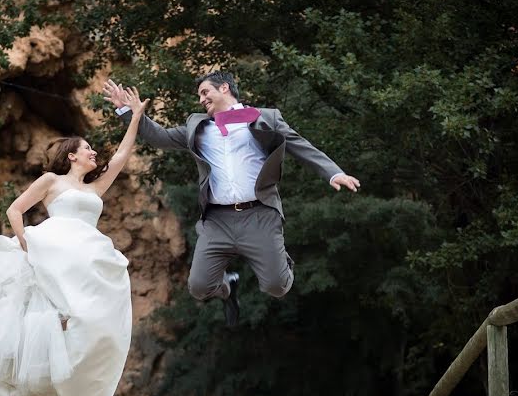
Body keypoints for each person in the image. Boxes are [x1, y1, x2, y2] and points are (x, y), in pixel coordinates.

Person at [0, 87, 150, 396]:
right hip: (54, 255)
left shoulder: (96, 188)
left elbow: (124, 154)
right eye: (88, 148)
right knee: (48, 333)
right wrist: (29, 246)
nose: (94, 152)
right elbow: (15, 210)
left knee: (93, 330)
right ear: (72, 155)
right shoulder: (51, 181)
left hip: (86, 261)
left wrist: (135, 115)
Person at [103, 72, 360, 328]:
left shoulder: (264, 118)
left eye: (205, 92)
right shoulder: (199, 127)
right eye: (199, 96)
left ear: (224, 88)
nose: (202, 99)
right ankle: (228, 286)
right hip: (218, 220)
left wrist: (333, 173)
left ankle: (279, 257)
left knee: (276, 286)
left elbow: (299, 144)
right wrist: (128, 110)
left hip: (259, 215)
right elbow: (159, 137)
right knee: (199, 286)